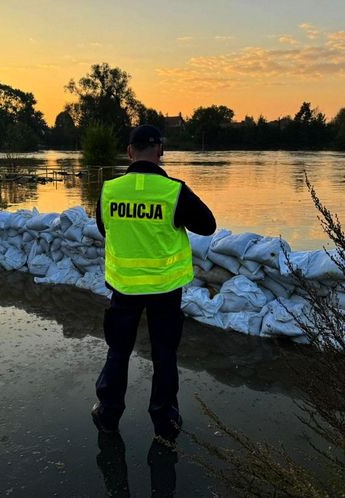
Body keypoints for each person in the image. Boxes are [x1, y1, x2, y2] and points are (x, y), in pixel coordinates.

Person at [92, 124, 216, 440]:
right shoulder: (173, 191)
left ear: (129, 151)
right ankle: (165, 422)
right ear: (160, 151)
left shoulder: (110, 190)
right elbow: (207, 226)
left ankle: (108, 416)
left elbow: (106, 229)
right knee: (164, 355)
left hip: (124, 287)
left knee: (118, 352)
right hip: (165, 290)